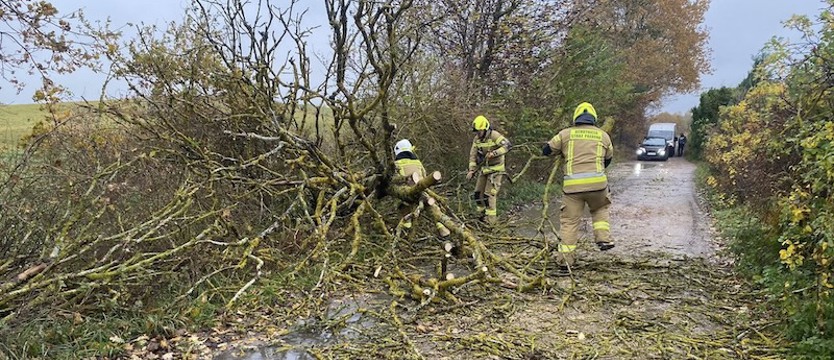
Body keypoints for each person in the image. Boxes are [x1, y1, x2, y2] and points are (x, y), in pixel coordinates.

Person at [542, 102, 614, 275]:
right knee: (600, 209)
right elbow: (608, 159)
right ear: (594, 118)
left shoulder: (565, 134)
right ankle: (603, 239)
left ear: (576, 118)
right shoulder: (603, 135)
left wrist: (561, 152)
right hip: (598, 185)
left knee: (569, 222)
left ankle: (565, 263)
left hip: (573, 188)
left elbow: (547, 150)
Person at [393, 139, 450, 236]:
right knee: (433, 207)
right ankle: (442, 227)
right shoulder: (418, 162)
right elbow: (424, 176)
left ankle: (406, 226)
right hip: (422, 192)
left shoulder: (396, 164)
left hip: (406, 193)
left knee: (401, 204)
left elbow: (394, 180)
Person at [467, 115, 512, 225]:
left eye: (479, 131)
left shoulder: (494, 135)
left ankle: (491, 222)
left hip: (496, 170)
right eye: (477, 132)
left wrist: (494, 153)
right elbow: (473, 155)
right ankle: (481, 216)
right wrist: (471, 170)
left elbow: (507, 145)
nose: (478, 134)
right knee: (478, 194)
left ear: (485, 129)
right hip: (484, 170)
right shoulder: (477, 139)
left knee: (489, 196)